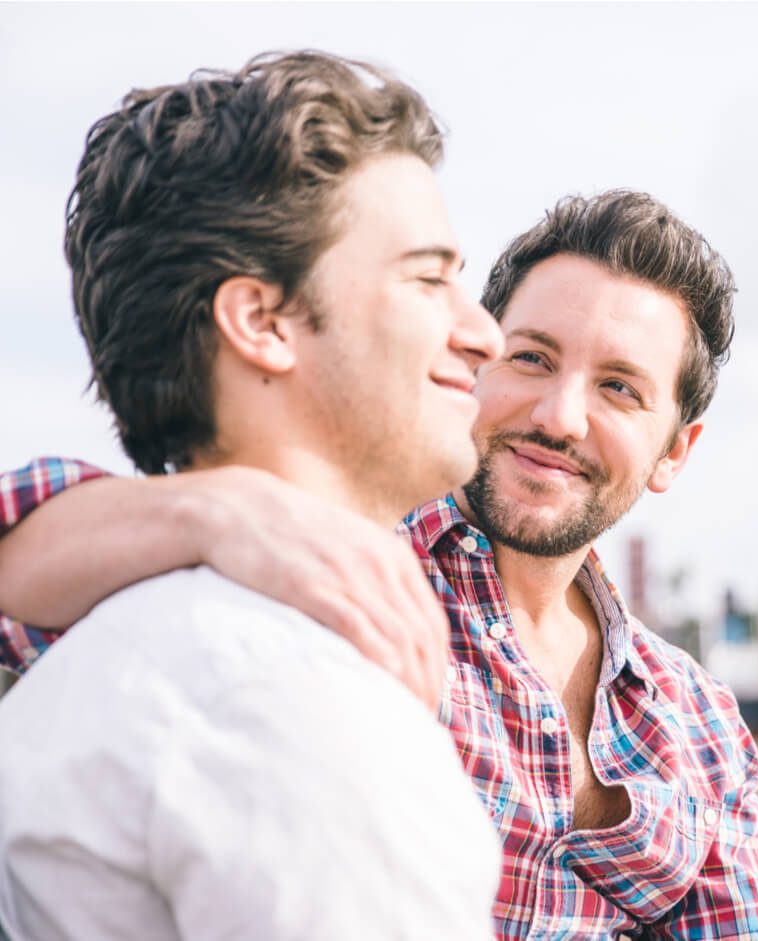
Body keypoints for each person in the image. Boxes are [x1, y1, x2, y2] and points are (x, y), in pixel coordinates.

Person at [0, 192, 758, 938]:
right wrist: (211, 508)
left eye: (619, 388)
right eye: (531, 358)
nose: (559, 416)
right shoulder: (321, 570)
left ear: (674, 450)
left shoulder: (695, 717)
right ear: (478, 359)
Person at [0, 51, 506, 940]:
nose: (484, 333)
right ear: (262, 322)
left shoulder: (95, 659)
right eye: (428, 278)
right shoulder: (289, 702)